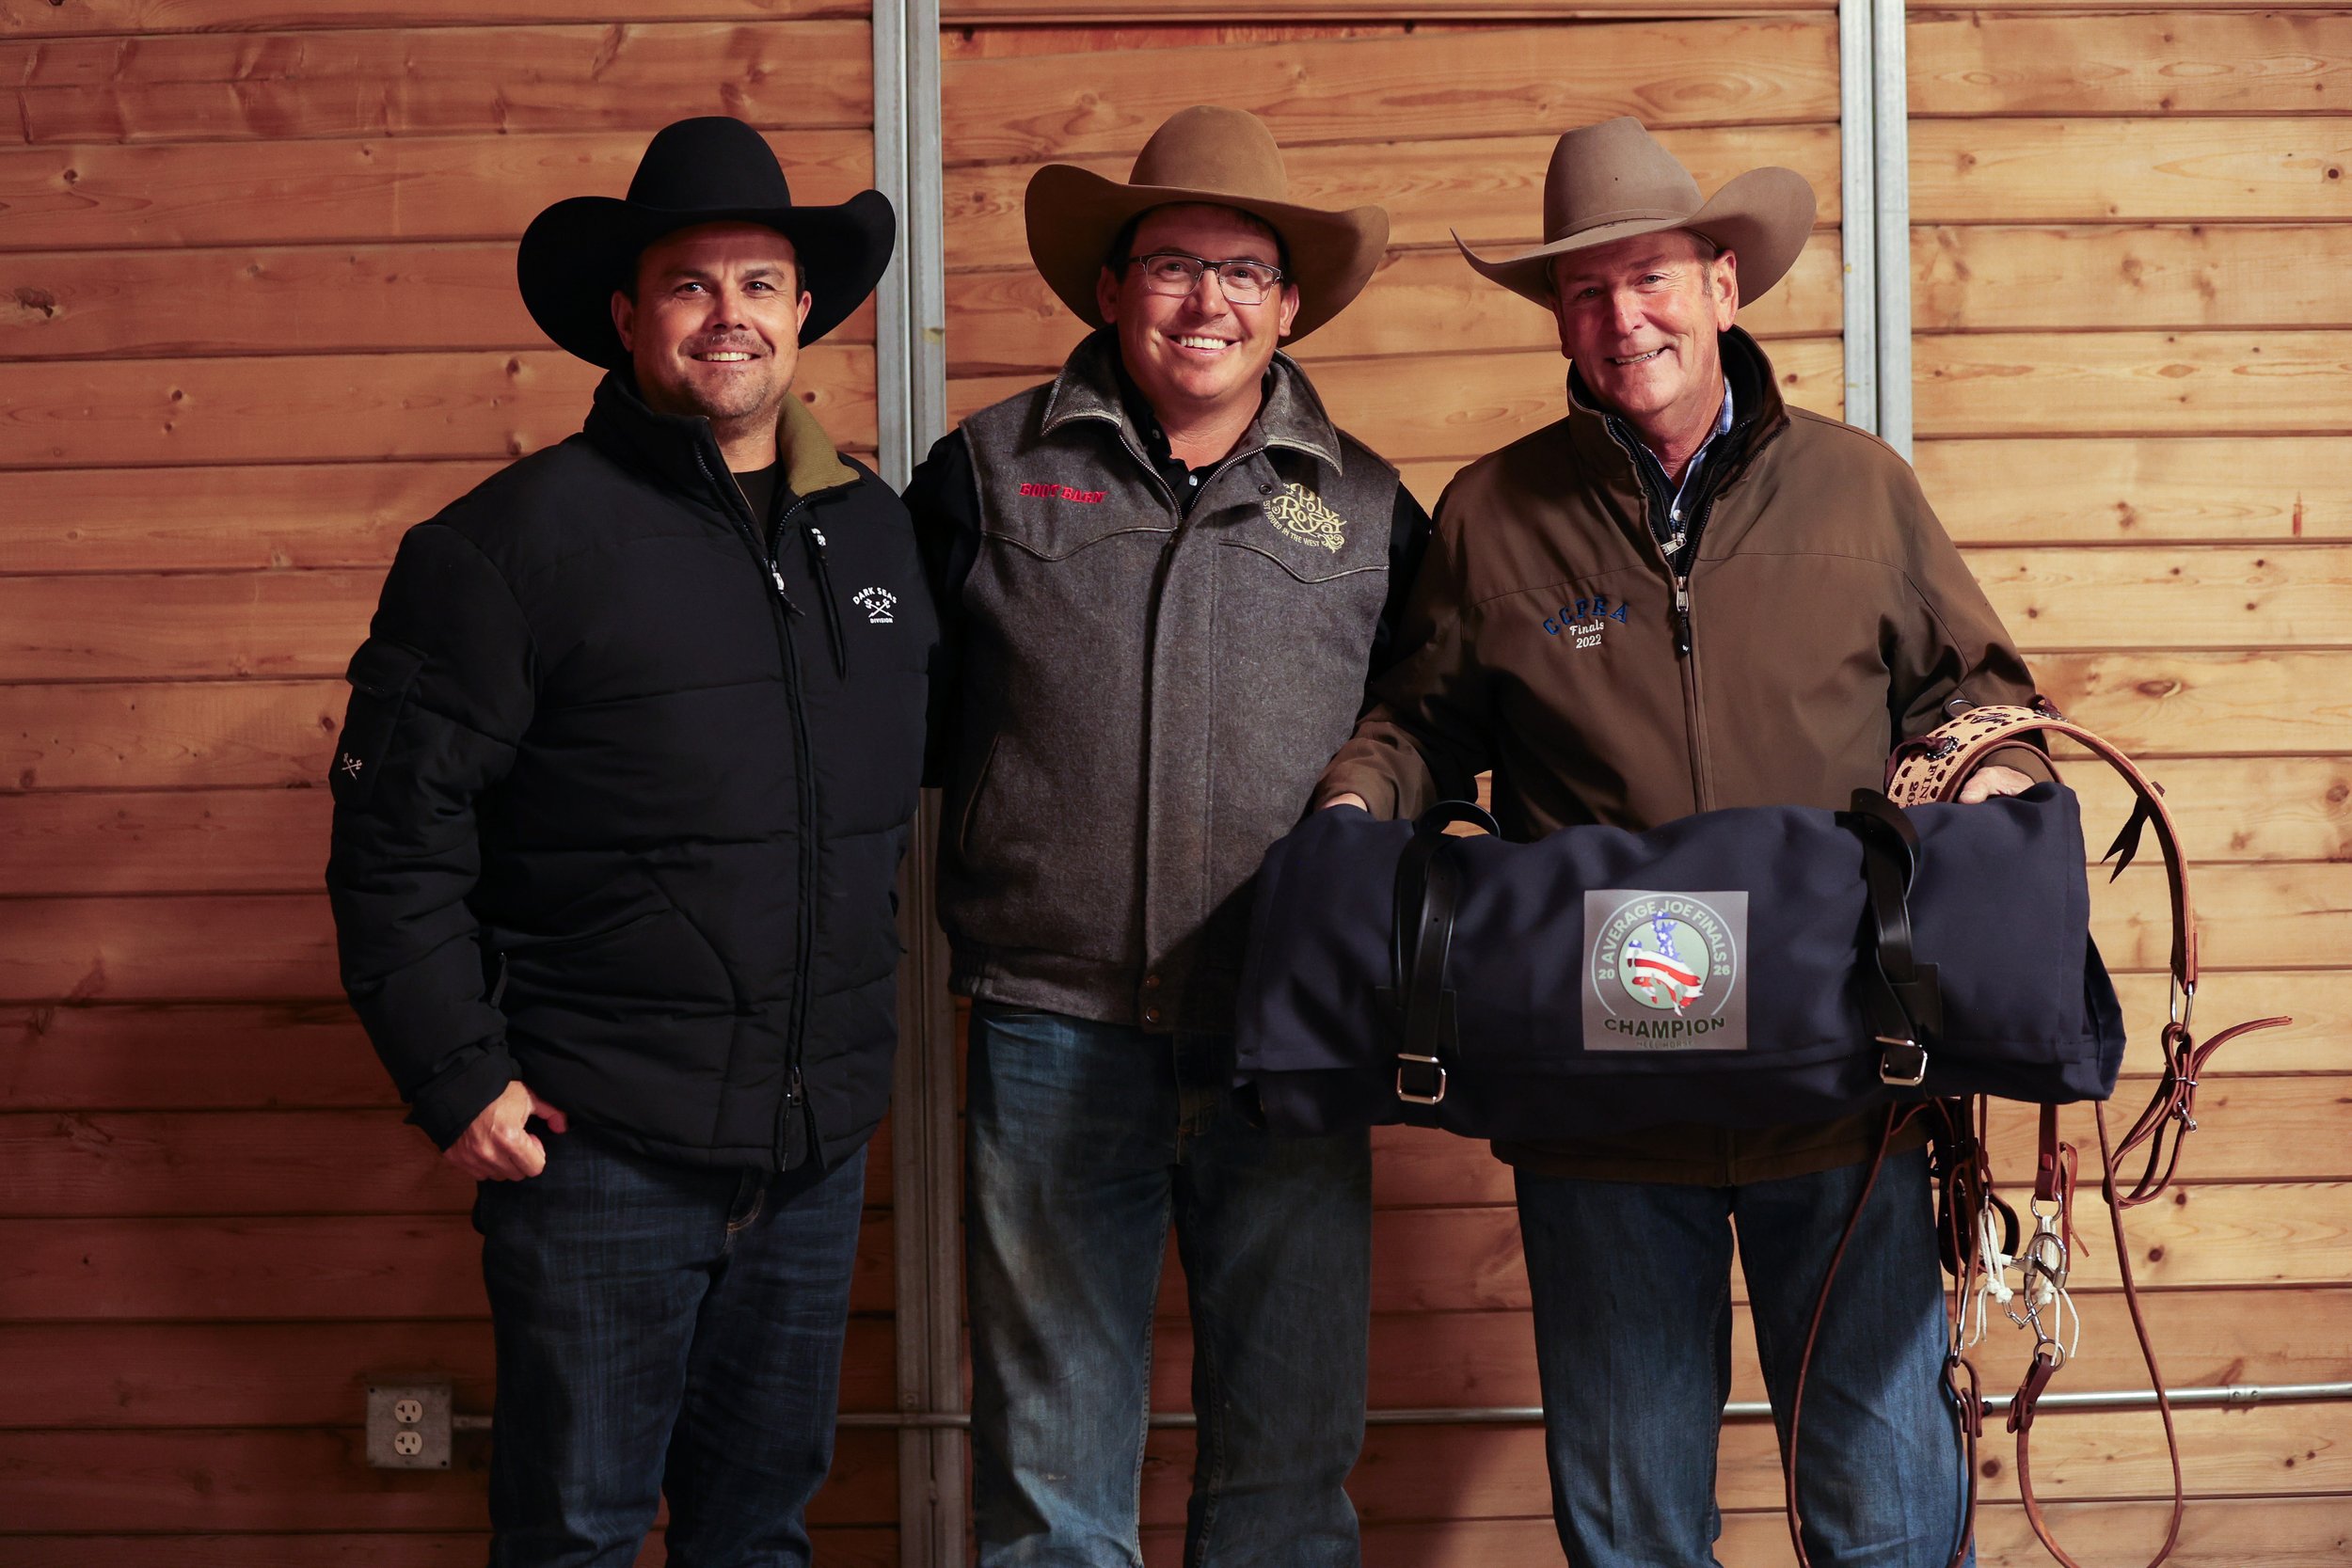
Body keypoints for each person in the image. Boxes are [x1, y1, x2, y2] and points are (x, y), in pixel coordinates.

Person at [1315, 117, 2043, 1568]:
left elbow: (1975, 695)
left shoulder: (1859, 489)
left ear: (1722, 285)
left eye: (1649, 277)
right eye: (1585, 292)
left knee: (1892, 1522)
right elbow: (1419, 723)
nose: (1621, 317)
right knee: (1633, 1530)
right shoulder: (1494, 515)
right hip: (1603, 1110)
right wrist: (1354, 804)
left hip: (1847, 1088)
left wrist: (2000, 774)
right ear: (1559, 322)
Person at [325, 116, 935, 1568]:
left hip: (811, 1153)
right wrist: (455, 1074)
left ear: (804, 311)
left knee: (760, 1532)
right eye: (689, 284)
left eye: (760, 283)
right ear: (625, 315)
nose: (730, 315)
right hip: (598, 1152)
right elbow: (395, 842)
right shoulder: (504, 548)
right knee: (577, 1535)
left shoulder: (873, 537)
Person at [905, 104, 1431, 1567]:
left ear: (1289, 304)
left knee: (1287, 1468)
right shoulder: (984, 474)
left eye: (1244, 271)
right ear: (1110, 288)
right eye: (1172, 266)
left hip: (1291, 1037)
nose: (1208, 302)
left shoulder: (1372, 508)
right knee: (1050, 1476)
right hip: (1050, 1027)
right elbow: (905, 720)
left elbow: (1422, 736)